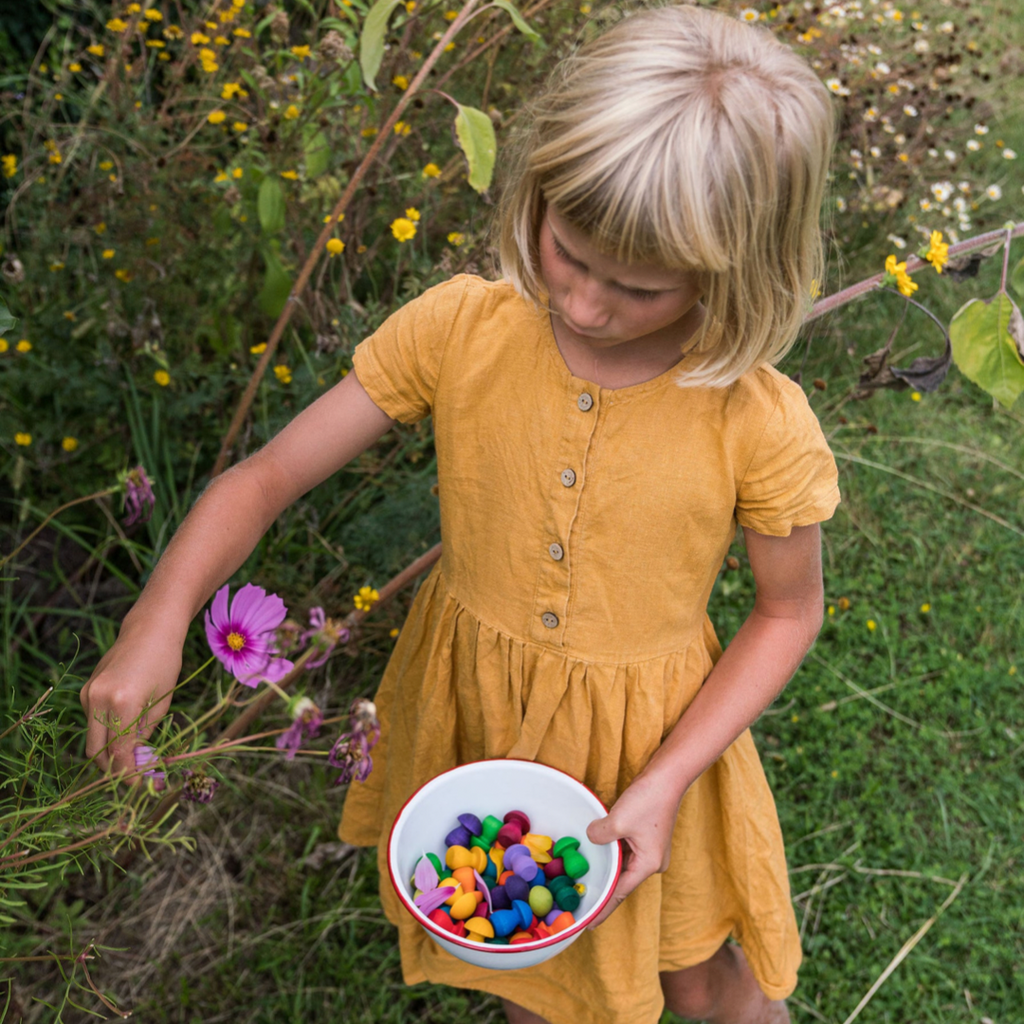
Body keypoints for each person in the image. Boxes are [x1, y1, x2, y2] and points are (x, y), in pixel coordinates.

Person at [81, 5, 839, 1023]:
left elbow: (786, 612)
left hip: (658, 743)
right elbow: (261, 481)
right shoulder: (459, 330)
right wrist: (156, 618)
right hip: (476, 718)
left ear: (732, 271)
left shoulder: (755, 418)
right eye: (566, 252)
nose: (582, 305)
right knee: (527, 962)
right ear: (536, 192)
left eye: (639, 288)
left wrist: (664, 781)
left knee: (699, 970)